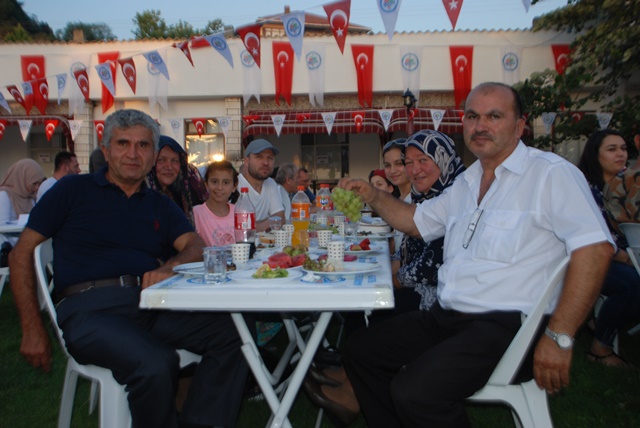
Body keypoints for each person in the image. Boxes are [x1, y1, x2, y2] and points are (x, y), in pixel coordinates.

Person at [334, 82, 612, 427]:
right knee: (360, 350)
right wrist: (374, 196)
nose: (480, 126)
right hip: (447, 317)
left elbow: (595, 249)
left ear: (519, 126)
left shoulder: (551, 174)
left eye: (494, 116)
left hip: (510, 327)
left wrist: (559, 337)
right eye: (472, 116)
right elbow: (416, 221)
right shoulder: (466, 181)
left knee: (416, 392)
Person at [8, 109, 248, 428]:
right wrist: (32, 327)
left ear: (152, 155)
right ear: (106, 150)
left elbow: (195, 245)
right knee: (157, 362)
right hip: (89, 310)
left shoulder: (158, 204)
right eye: (123, 143)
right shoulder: (72, 190)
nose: (133, 153)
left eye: (143, 145)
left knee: (235, 334)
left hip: (149, 303)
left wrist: (171, 267)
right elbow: (20, 253)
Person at [306, 130, 466, 426]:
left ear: (443, 160)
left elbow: (430, 265)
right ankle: (350, 379)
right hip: (440, 298)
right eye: (410, 162)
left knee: (374, 311)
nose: (414, 169)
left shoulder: (455, 197)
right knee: (364, 312)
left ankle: (352, 389)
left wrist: (391, 279)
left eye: (423, 160)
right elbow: (412, 252)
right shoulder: (431, 197)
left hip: (441, 301)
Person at [577, 129, 640, 368]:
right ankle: (600, 348)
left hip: (627, 254)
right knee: (632, 284)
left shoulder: (628, 184)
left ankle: (599, 323)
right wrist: (625, 257)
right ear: (596, 155)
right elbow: (589, 237)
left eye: (623, 148)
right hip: (588, 260)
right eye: (612, 149)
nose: (620, 154)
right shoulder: (584, 189)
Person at [146, 135, 209, 226]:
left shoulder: (182, 195)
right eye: (161, 160)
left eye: (174, 161)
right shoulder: (142, 197)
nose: (169, 167)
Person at [238, 139, 285, 232]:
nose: (265, 162)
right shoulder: (235, 185)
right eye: (259, 157)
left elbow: (281, 219)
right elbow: (234, 226)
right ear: (246, 161)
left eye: (270, 158)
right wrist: (270, 221)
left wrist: (251, 225)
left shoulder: (270, 183)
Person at [0, 158, 45, 248]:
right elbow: (2, 227)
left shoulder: (30, 198)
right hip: (10, 248)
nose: (37, 188)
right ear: (22, 179)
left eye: (39, 184)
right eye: (34, 183)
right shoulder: (4, 195)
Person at [193, 160, 239, 247]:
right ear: (206, 184)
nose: (220, 187)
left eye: (226, 183)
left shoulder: (239, 212)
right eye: (214, 182)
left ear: (234, 186)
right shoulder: (196, 213)